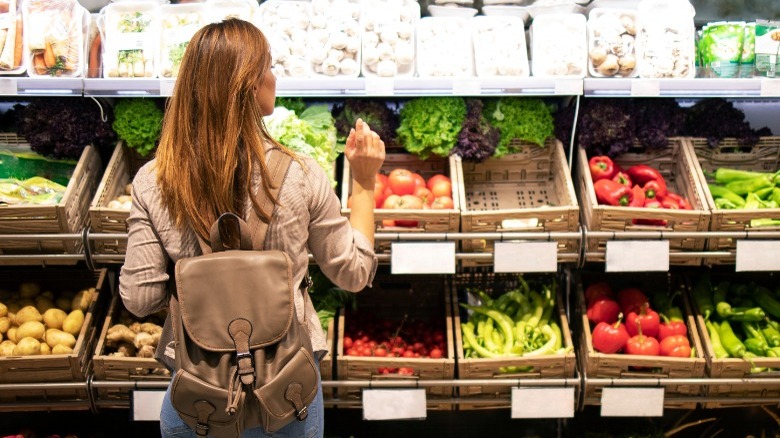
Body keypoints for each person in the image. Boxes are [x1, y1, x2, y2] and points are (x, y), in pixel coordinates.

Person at [118, 18, 385, 437]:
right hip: (288, 397)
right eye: (269, 67)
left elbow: (139, 297)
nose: (274, 76)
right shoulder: (301, 175)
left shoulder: (154, 181)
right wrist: (365, 184)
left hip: (198, 398)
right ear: (249, 87)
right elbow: (352, 274)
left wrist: (200, 284)